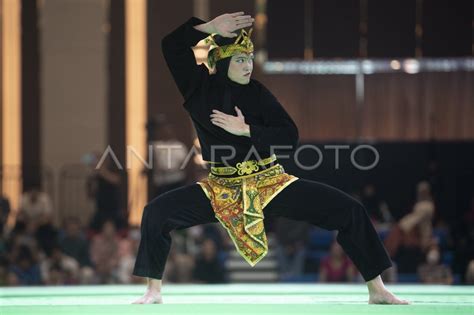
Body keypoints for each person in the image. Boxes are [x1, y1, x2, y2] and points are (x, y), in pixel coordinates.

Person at [132, 12, 409, 305]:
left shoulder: (258, 95)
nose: (247, 65)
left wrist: (247, 129)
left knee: (350, 210)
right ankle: (153, 290)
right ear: (223, 61)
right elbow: (171, 47)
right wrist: (209, 28)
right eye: (239, 59)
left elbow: (289, 136)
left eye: (249, 59)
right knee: (156, 213)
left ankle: (377, 288)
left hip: (269, 183)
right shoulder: (198, 88)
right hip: (220, 189)